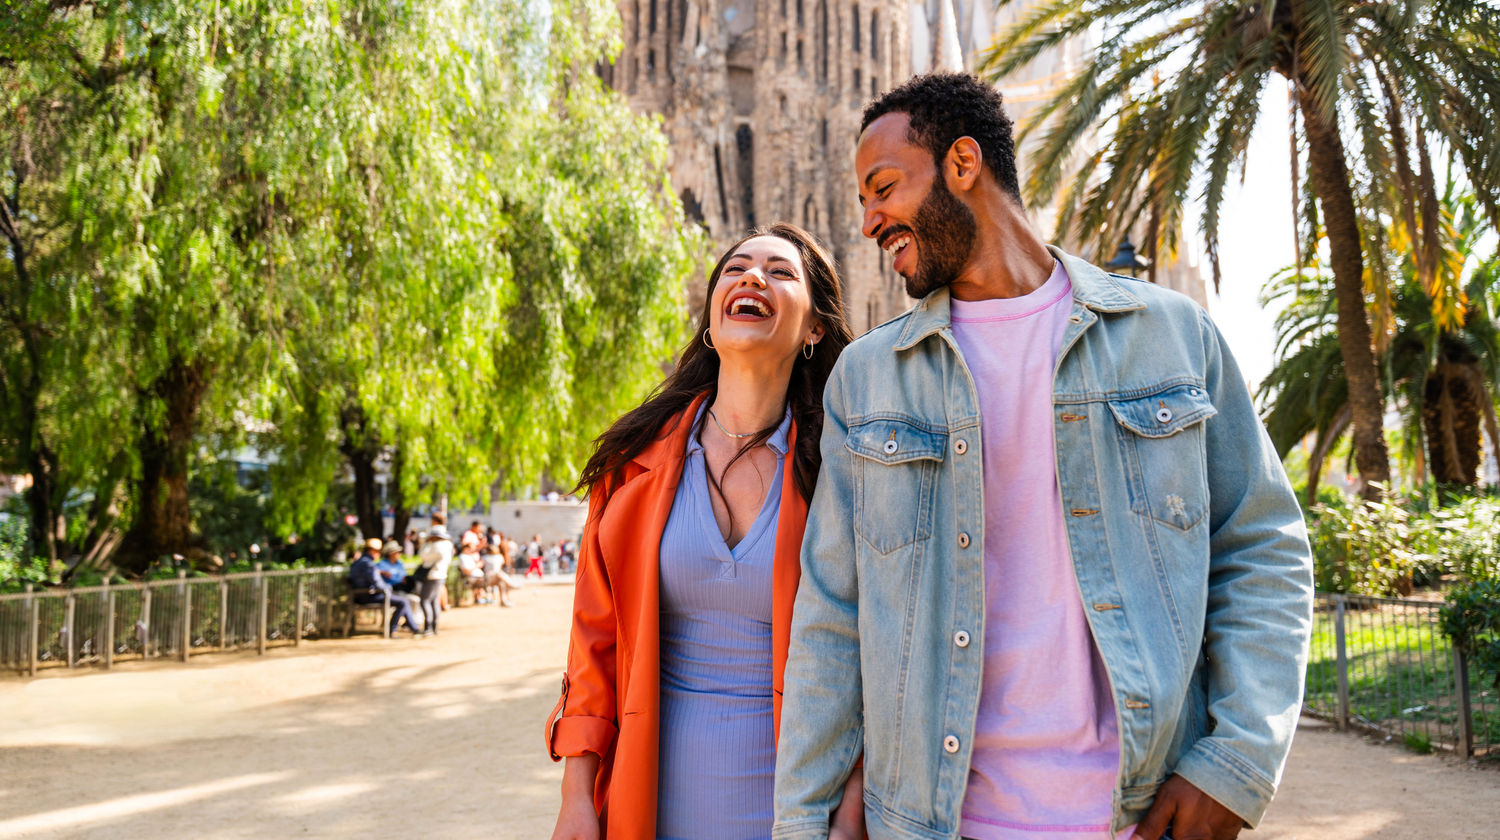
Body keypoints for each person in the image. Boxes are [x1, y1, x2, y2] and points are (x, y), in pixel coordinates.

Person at [773, 74, 1315, 840]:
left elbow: (1261, 549)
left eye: (884, 188)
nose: (868, 222)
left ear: (964, 164)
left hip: (1138, 817)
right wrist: (802, 825)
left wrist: (1238, 758)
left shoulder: (1171, 336)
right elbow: (832, 619)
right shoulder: (869, 380)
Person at [545, 224, 858, 840]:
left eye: (780, 272)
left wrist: (849, 817)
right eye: (735, 269)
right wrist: (577, 797)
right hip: (651, 800)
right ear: (712, 322)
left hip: (800, 810)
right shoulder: (631, 465)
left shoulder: (844, 471)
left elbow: (871, 657)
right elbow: (594, 645)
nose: (753, 277)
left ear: (815, 328)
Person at [348, 538, 419, 637]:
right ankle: (393, 630)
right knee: (403, 601)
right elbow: (378, 583)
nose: (379, 554)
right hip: (368, 596)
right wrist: (389, 588)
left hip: (360, 595)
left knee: (403, 600)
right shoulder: (368, 564)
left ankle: (413, 628)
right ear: (372, 551)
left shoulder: (358, 562)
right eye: (378, 552)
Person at [416, 514, 455, 636]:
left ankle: (428, 627)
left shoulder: (435, 545)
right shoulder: (448, 544)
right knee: (434, 601)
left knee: (425, 601)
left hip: (432, 575)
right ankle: (434, 626)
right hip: (441, 575)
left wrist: (425, 543)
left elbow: (423, 555)